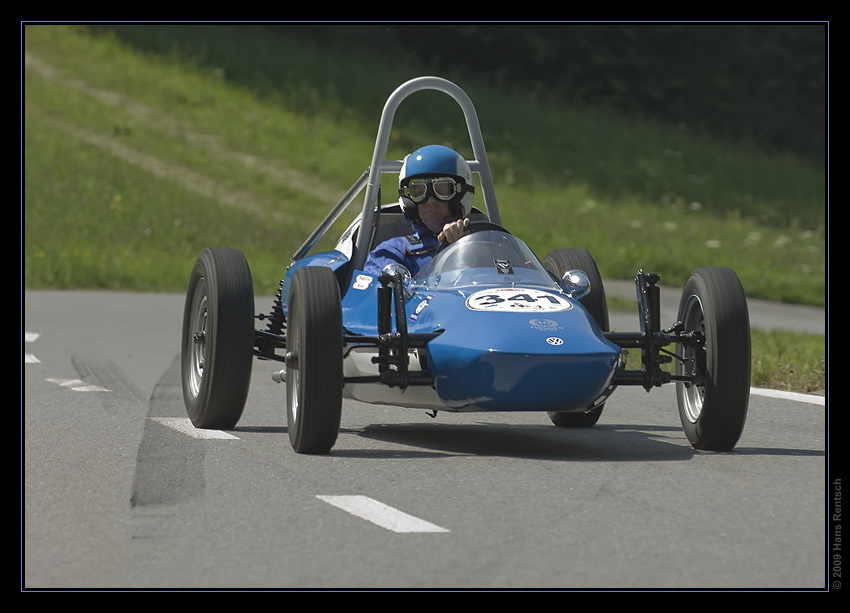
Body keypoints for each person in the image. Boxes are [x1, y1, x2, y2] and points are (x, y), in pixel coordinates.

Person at [364, 145, 474, 277]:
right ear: (408, 199)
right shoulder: (392, 252)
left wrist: (466, 247)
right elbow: (380, 294)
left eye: (442, 191)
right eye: (419, 192)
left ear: (460, 194)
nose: (430, 201)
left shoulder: (484, 245)